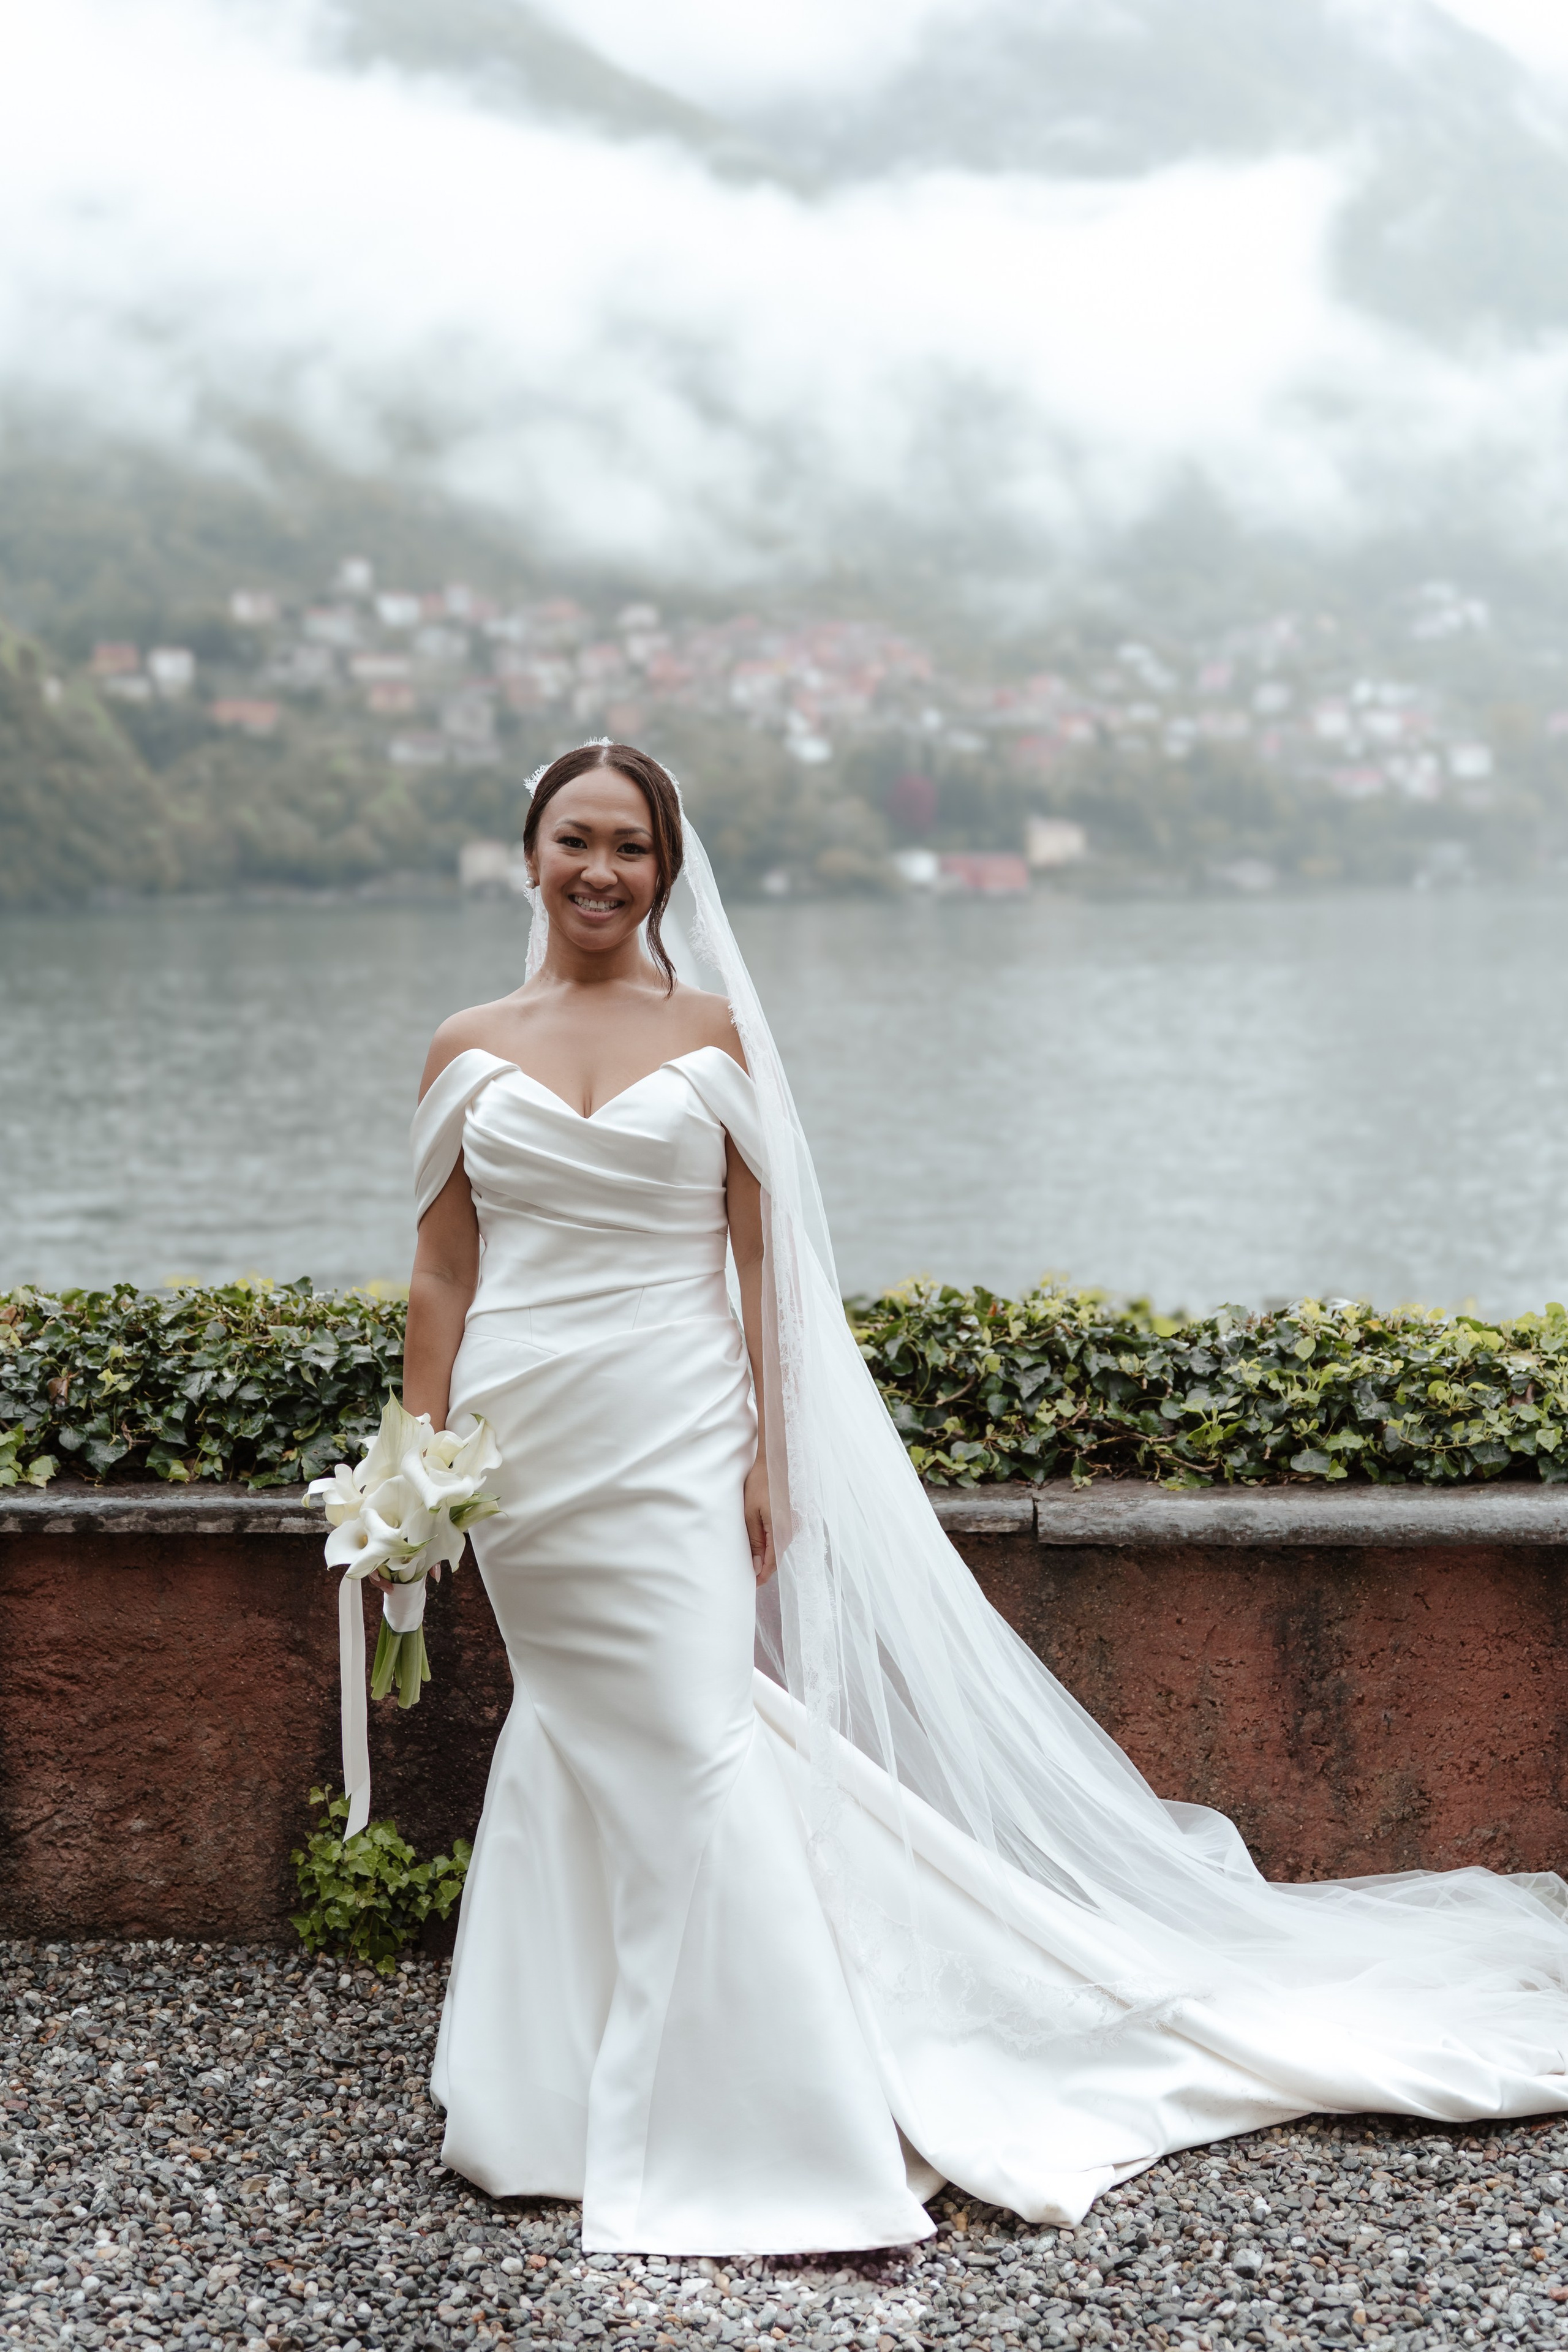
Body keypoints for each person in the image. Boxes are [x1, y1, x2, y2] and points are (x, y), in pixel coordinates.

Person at [400, 739, 1568, 2258]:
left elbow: (769, 1268)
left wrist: (770, 1450)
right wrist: (411, 1467)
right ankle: (552, 2104)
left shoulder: (716, 1034)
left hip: (675, 1431)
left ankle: (773, 2133)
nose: (600, 870)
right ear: (530, 851)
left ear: (665, 868)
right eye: (575, 839)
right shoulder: (462, 1046)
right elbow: (440, 1267)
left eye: (630, 844)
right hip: (523, 1450)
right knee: (567, 1734)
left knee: (695, 1743)